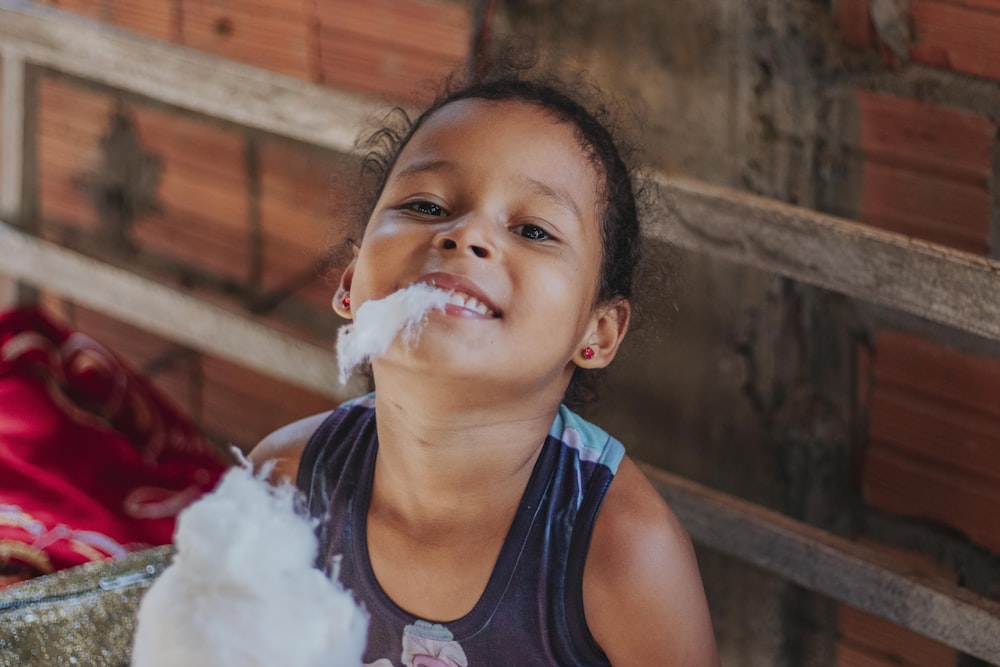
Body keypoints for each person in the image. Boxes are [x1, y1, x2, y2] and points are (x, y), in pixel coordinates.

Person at [250, 68, 720, 666]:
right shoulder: (285, 482)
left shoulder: (622, 553)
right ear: (351, 282)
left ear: (596, 333)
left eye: (532, 229)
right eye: (425, 205)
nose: (465, 232)